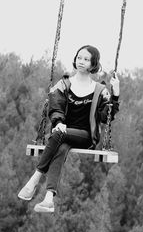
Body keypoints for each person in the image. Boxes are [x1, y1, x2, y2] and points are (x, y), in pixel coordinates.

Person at [18, 45, 120, 213]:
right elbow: (55, 105)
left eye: (86, 59)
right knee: (62, 146)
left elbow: (105, 117)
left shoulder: (100, 90)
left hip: (86, 136)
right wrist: (58, 121)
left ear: (93, 63)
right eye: (79, 57)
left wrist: (115, 94)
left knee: (59, 135)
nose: (81, 61)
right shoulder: (63, 84)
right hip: (62, 134)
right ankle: (49, 198)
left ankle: (34, 179)